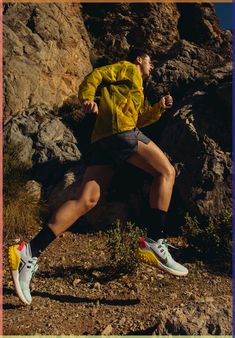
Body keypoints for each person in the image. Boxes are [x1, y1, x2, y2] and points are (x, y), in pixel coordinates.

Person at [8, 48, 188, 306]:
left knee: (86, 200)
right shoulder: (128, 69)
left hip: (104, 139)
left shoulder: (136, 87)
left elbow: (137, 119)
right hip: (119, 133)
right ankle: (154, 240)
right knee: (166, 171)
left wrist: (158, 108)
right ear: (139, 59)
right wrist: (87, 98)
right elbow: (97, 74)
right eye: (150, 61)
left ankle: (28, 251)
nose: (152, 66)